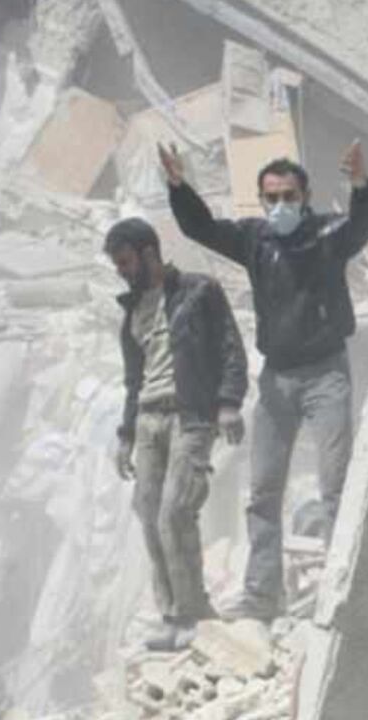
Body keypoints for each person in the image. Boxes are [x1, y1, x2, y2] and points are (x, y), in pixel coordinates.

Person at [158, 140, 368, 624]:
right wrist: (179, 187)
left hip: (326, 374)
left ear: (305, 197)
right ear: (261, 201)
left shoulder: (327, 234)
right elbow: (201, 227)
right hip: (277, 379)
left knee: (335, 485)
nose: (280, 206)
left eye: (289, 197)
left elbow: (365, 223)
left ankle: (346, 587)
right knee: (262, 491)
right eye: (271, 197)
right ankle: (261, 597)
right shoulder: (255, 240)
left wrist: (362, 185)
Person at [107, 217, 248, 651]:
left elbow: (230, 348)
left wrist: (228, 403)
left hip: (190, 418)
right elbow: (134, 379)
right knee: (149, 515)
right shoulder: (131, 312)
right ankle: (171, 615)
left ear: (149, 252)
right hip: (148, 420)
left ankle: (195, 612)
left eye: (126, 261)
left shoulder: (199, 291)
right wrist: (125, 434)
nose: (122, 271)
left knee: (175, 512)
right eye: (117, 265)